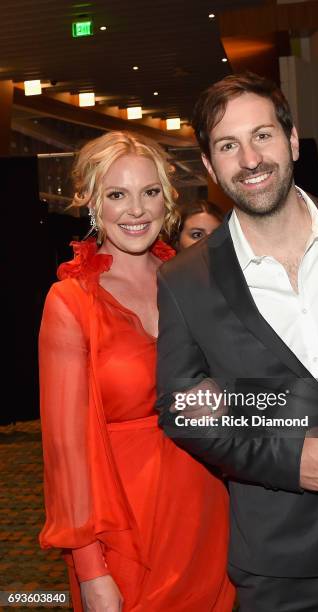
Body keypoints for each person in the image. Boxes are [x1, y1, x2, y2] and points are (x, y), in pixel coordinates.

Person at [156, 73, 318, 610]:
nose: (250, 158)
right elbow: (186, 407)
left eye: (263, 135)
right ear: (210, 165)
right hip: (281, 560)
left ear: (292, 140)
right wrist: (284, 458)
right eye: (229, 145)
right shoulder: (185, 280)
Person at [39, 131, 235, 612]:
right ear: (91, 201)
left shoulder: (192, 280)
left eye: (149, 192)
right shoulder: (71, 302)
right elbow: (66, 454)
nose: (136, 210)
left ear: (167, 199)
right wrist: (91, 569)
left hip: (211, 513)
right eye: (117, 194)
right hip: (123, 532)